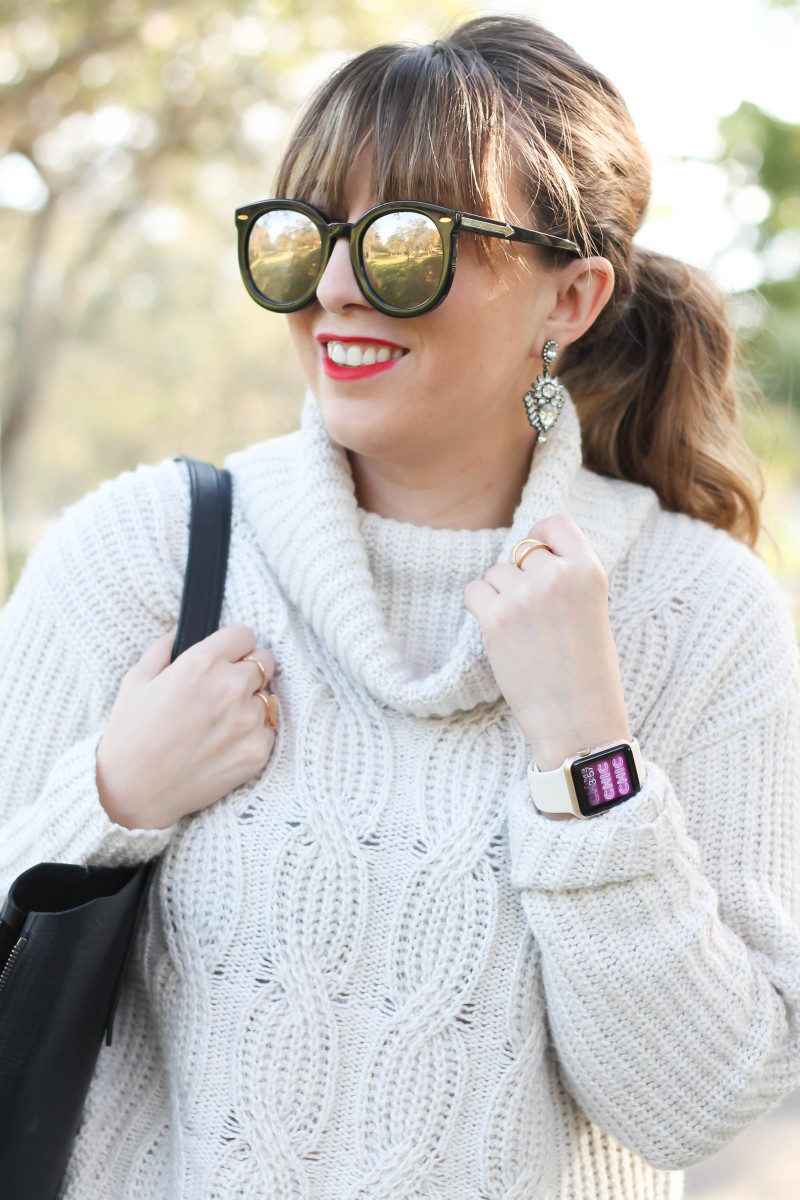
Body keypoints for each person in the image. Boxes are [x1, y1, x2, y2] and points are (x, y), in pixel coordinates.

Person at [1, 13, 799, 1200]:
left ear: (569, 298)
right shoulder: (145, 552)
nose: (331, 290)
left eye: (405, 245)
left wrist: (588, 756)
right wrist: (111, 795)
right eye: (302, 238)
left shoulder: (701, 614)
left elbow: (695, 1105)